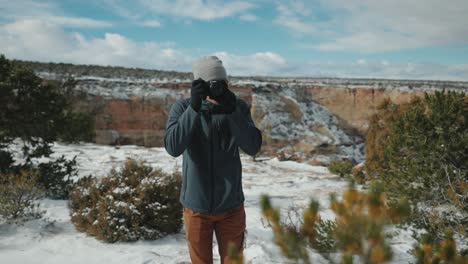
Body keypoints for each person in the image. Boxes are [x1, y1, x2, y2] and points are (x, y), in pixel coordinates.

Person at [164, 55, 262, 264]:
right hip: (196, 208)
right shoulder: (183, 108)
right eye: (210, 84)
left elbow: (253, 147)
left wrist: (231, 111)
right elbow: (173, 147)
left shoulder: (237, 107)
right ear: (199, 84)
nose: (216, 88)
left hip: (232, 208)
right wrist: (194, 108)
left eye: (221, 83)